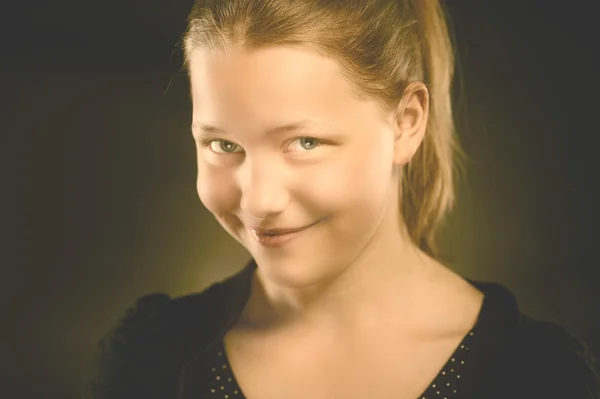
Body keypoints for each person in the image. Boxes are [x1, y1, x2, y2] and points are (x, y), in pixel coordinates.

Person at [83, 0, 600, 398]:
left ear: (406, 123)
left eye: (304, 143)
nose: (259, 200)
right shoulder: (149, 360)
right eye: (224, 145)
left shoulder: (537, 376)